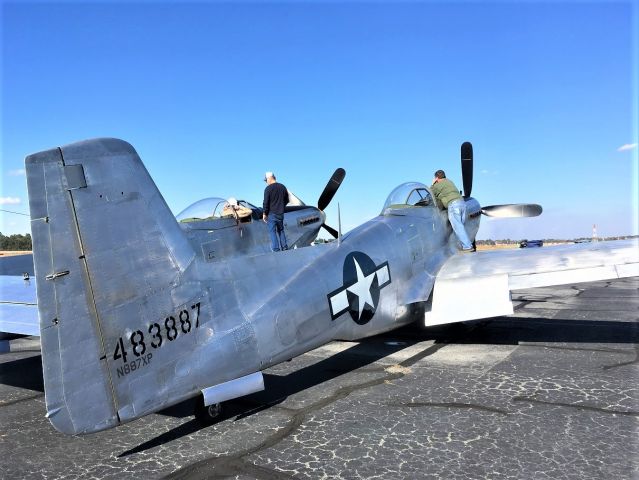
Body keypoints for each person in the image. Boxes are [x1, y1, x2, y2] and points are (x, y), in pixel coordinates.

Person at [431, 170, 473, 252]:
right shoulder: (449, 182)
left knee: (458, 227)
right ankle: (465, 245)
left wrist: (433, 183)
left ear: (436, 178)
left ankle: (467, 246)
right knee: (461, 226)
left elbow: (431, 192)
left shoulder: (437, 185)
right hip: (462, 203)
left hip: (454, 205)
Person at [262, 171, 289, 251]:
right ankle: (284, 248)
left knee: (272, 231)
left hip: (272, 214)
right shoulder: (283, 187)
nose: (266, 182)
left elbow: (265, 202)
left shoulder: (268, 189)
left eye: (266, 180)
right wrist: (281, 207)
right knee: (281, 230)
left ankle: (276, 249)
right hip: (281, 213)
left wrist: (264, 213)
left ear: (269, 178)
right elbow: (287, 200)